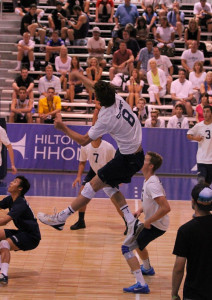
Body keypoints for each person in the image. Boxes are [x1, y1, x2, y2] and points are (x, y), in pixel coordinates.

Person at [37, 71, 144, 246]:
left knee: (92, 185)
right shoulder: (116, 98)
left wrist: (63, 127)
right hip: (134, 152)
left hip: (128, 158)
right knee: (110, 187)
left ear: (99, 100)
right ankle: (132, 222)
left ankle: (61, 218)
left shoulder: (105, 118)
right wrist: (78, 74)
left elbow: (84, 140)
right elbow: (96, 86)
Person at [122, 151, 170, 294]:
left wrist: (149, 220)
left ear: (151, 165)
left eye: (145, 160)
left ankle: (141, 284)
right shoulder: (148, 180)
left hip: (156, 225)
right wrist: (141, 210)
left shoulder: (152, 184)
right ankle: (148, 269)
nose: (141, 161)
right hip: (156, 223)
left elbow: (166, 207)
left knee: (127, 248)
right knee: (139, 244)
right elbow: (150, 201)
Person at [71, 136, 127, 234]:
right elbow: (82, 162)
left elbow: (118, 162)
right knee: (82, 194)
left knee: (116, 200)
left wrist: (119, 177)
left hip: (107, 172)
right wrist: (78, 176)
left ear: (100, 135)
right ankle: (81, 221)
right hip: (94, 170)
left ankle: (129, 224)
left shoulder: (108, 147)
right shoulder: (85, 146)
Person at [172, 183, 212, 300]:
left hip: (194, 294)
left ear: (193, 202)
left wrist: (174, 294)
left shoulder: (186, 230)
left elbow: (179, 269)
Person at [0, 176, 41, 285]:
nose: (11, 183)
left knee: (4, 244)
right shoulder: (10, 199)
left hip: (31, 237)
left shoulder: (20, 203)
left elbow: (4, 221)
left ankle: (3, 275)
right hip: (22, 232)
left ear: (20, 188)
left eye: (15, 182)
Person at [187, 105, 212, 185]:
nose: (205, 114)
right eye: (204, 112)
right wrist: (195, 138)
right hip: (201, 159)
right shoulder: (199, 125)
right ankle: (196, 197)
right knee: (201, 182)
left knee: (207, 184)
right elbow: (188, 134)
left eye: (207, 111)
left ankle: (205, 197)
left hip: (211, 161)